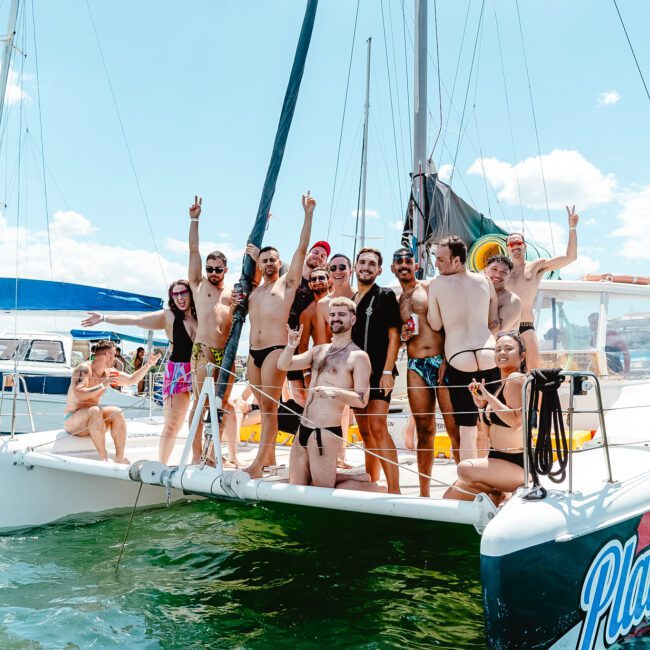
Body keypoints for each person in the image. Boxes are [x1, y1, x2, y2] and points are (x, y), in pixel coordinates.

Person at [82, 279, 198, 464]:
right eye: (175, 295)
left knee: (200, 421)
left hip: (201, 370)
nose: (180, 298)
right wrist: (104, 318)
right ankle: (162, 466)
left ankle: (202, 460)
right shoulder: (168, 316)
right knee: (172, 426)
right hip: (178, 371)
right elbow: (136, 320)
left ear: (191, 293)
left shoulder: (202, 315)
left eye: (183, 293)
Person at [243, 192, 316, 478]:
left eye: (273, 259)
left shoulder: (286, 285)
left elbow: (301, 248)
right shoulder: (255, 290)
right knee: (263, 407)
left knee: (269, 409)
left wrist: (308, 214)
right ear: (259, 265)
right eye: (265, 261)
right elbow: (249, 251)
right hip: (253, 352)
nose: (269, 263)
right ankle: (269, 457)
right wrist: (257, 243)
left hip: (274, 349)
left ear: (279, 262)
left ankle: (258, 464)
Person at [277, 297, 373, 488]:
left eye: (342, 314)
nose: (336, 318)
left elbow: (362, 400)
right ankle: (359, 478)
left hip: (325, 433)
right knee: (296, 489)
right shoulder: (318, 350)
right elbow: (283, 364)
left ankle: (369, 485)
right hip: (302, 429)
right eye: (333, 314)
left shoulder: (358, 356)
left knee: (321, 491)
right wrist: (291, 345)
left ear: (352, 320)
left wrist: (335, 392)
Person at [392, 247, 460, 495]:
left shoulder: (430, 287)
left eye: (408, 260)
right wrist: (403, 336)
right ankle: (424, 491)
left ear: (416, 266)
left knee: (453, 426)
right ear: (393, 268)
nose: (404, 264)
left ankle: (466, 484)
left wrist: (448, 359)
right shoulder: (398, 300)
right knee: (424, 428)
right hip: (415, 364)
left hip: (441, 359)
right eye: (398, 261)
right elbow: (398, 338)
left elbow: (451, 323)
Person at [427, 235, 500, 461]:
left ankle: (469, 483)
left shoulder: (437, 284)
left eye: (440, 259)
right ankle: (497, 477)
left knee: (467, 429)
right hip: (489, 353)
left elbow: (436, 323)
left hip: (460, 357)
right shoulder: (485, 281)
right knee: (495, 422)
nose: (436, 264)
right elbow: (493, 321)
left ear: (457, 260)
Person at [444, 331, 528, 504]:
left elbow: (517, 421)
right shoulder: (500, 385)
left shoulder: (516, 378)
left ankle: (498, 493)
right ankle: (497, 493)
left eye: (508, 348)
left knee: (464, 468)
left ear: (522, 356)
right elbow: (489, 431)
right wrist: (481, 405)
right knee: (450, 497)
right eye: (498, 349)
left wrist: (488, 397)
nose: (502, 352)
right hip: (496, 460)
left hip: (517, 464)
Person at [188, 195, 238, 463]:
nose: (213, 273)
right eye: (210, 269)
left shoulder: (232, 292)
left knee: (223, 405)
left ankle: (214, 453)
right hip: (204, 350)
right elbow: (193, 250)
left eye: (218, 269)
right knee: (199, 405)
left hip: (227, 355)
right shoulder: (198, 284)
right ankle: (197, 456)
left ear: (226, 269)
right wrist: (195, 219)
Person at [351, 247, 402, 494]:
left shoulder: (385, 295)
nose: (366, 267)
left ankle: (395, 489)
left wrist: (388, 371)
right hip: (355, 376)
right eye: (362, 263)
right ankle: (373, 481)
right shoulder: (351, 301)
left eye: (372, 264)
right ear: (355, 266)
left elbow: (395, 336)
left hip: (379, 372)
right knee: (364, 430)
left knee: (378, 427)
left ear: (379, 270)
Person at [63, 340, 161, 464]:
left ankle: (120, 457)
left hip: (94, 420)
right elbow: (79, 393)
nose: (116, 358)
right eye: (114, 355)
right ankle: (103, 458)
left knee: (116, 411)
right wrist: (103, 385)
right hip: (73, 420)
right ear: (107, 355)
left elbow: (131, 380)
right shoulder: (83, 369)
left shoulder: (109, 373)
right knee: (95, 410)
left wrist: (148, 365)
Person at [506, 205, 579, 369]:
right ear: (507, 248)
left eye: (519, 242)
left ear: (525, 246)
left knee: (533, 373)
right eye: (511, 244)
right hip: (505, 330)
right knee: (505, 376)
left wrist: (572, 227)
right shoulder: (501, 272)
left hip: (525, 327)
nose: (515, 246)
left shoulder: (536, 267)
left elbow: (570, 257)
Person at [286, 240, 331, 406]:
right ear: (308, 253)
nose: (318, 257)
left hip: (305, 342)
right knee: (298, 396)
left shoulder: (319, 286)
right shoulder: (291, 276)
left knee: (307, 395)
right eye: (316, 252)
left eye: (323, 256)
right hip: (284, 340)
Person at [313, 253, 355, 344]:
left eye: (342, 267)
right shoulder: (323, 304)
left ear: (350, 272)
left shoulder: (361, 297)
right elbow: (322, 343)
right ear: (329, 274)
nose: (338, 271)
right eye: (333, 268)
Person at [484, 255, 522, 332]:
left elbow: (495, 332)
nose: (498, 275)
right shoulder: (478, 293)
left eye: (504, 272)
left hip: (498, 343)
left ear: (509, 275)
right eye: (494, 269)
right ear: (485, 271)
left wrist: (493, 298)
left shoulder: (513, 300)